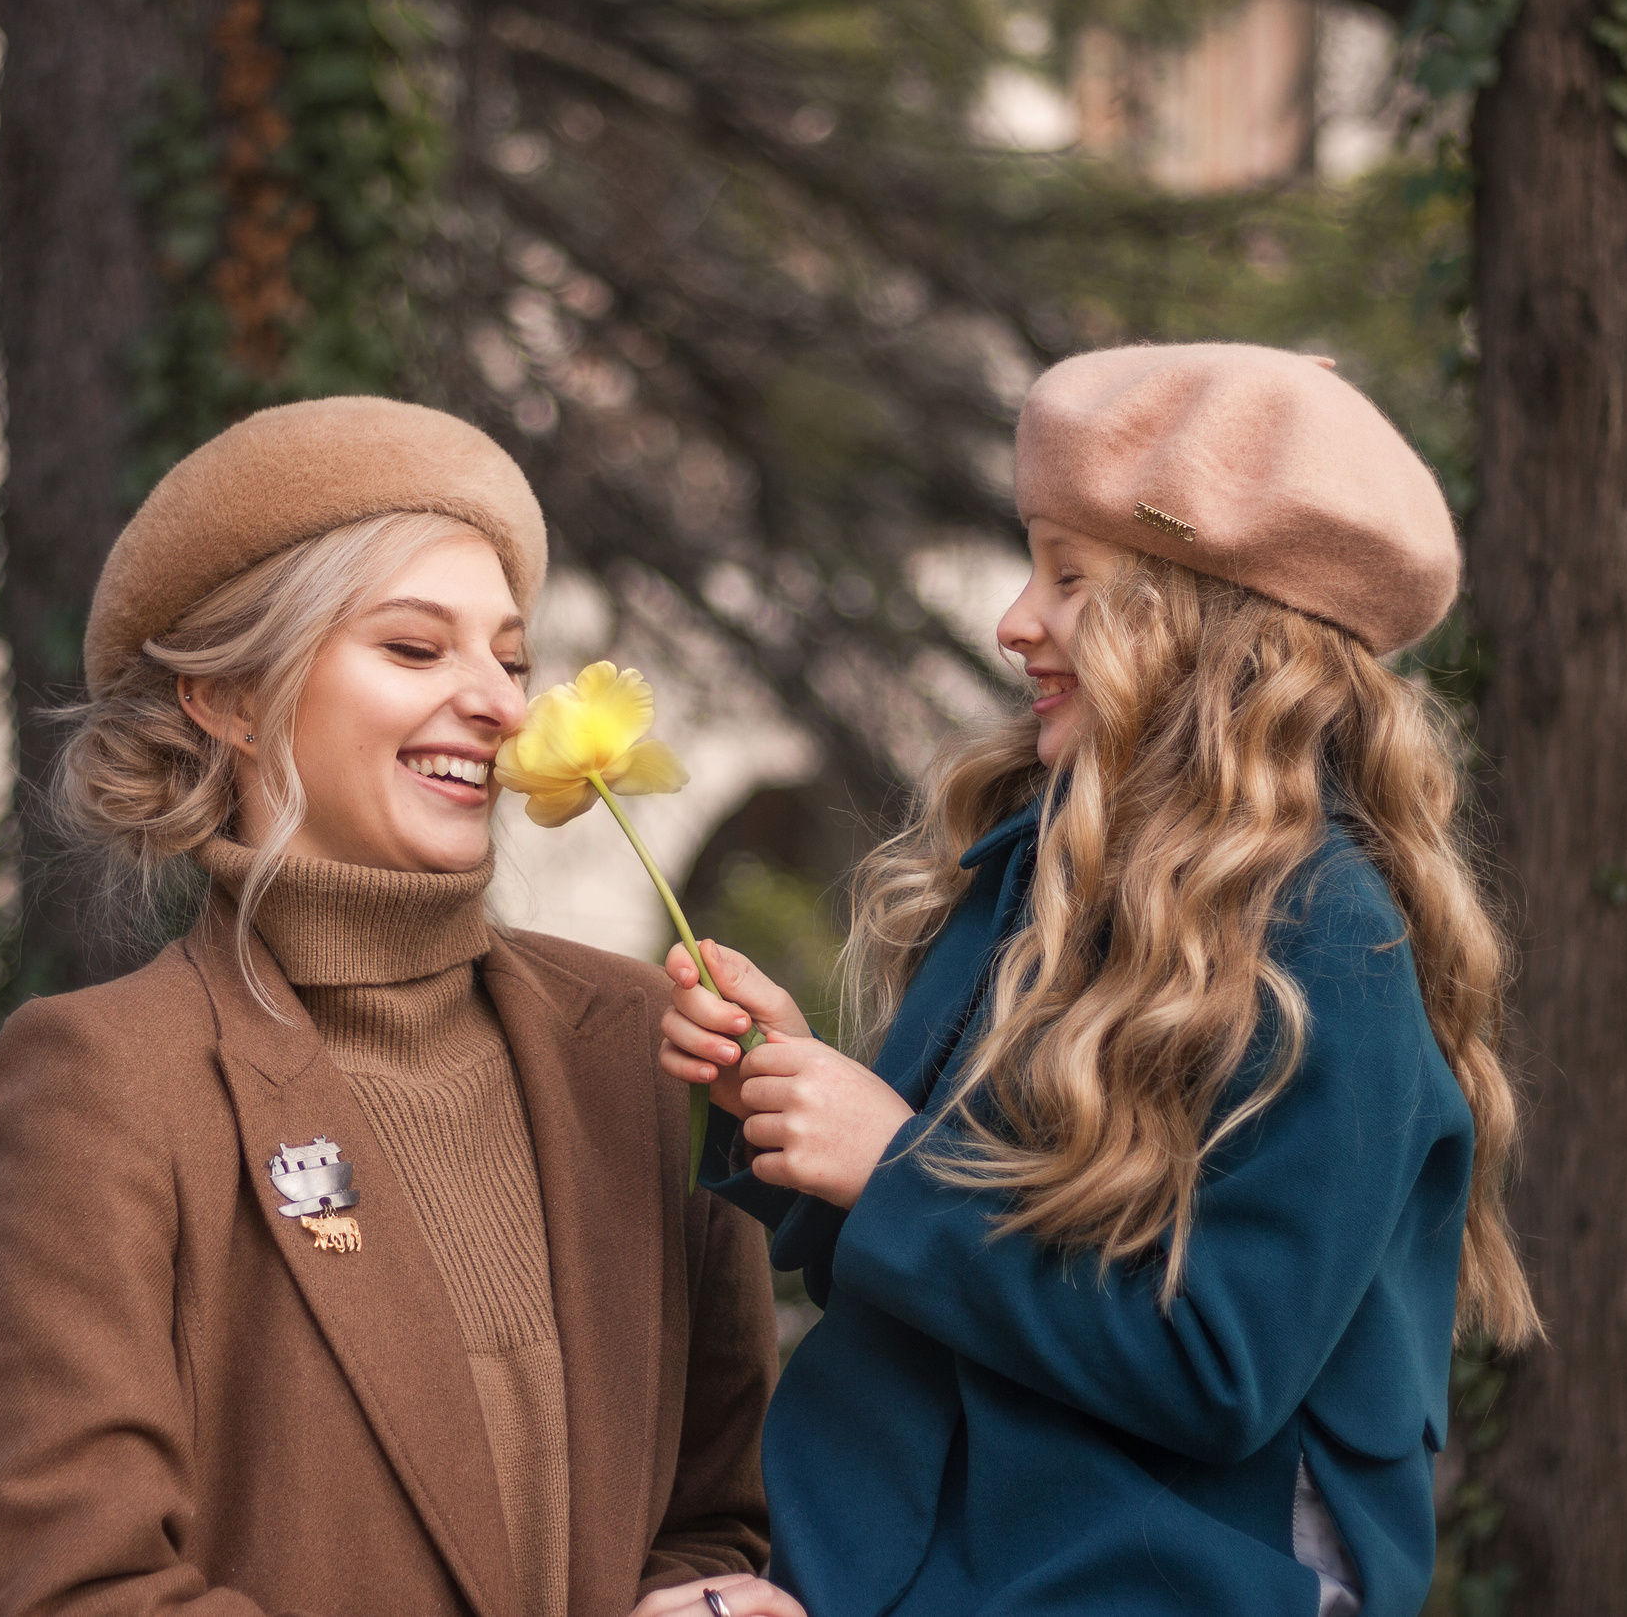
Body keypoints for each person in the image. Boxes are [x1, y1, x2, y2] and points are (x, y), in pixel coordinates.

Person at [658, 344, 1543, 1617]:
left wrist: (889, 1166)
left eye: (1070, 579)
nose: (1015, 621)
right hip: (879, 1565)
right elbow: (908, 1233)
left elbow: (1215, 1371)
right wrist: (784, 1091)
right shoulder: (1033, 863)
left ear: (1211, 629)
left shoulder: (1332, 946)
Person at [0, 399, 798, 1617]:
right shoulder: (103, 1083)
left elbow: (719, 1518)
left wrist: (701, 1597)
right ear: (228, 698)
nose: (499, 706)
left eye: (510, 658)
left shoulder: (641, 1043)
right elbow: (61, 1590)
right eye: (412, 649)